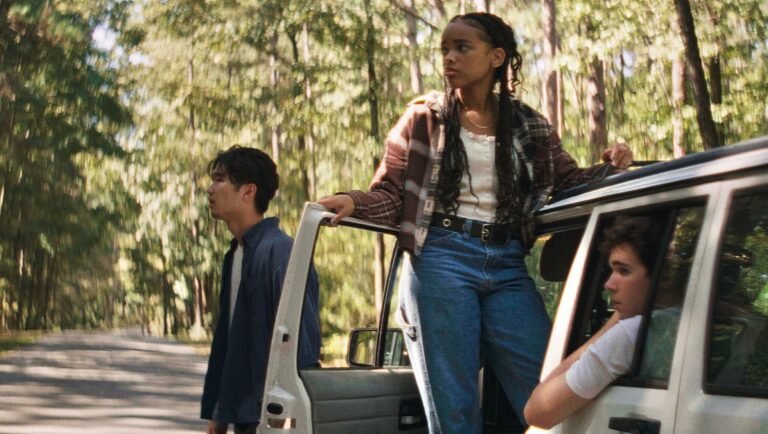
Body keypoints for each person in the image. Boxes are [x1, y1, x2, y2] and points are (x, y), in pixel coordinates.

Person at [318, 12, 633, 433]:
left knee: (548, 386)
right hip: (440, 257)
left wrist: (612, 168)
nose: (449, 57)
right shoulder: (424, 118)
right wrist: (353, 201)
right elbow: (393, 192)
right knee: (456, 406)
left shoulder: (529, 125)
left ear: (496, 57)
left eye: (462, 48)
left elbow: (568, 183)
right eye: (445, 49)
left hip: (507, 261)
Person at [200, 146, 321, 434]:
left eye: (219, 180)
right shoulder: (236, 254)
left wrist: (289, 420)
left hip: (271, 417)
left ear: (248, 191)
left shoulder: (280, 253)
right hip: (243, 414)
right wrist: (220, 414)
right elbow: (232, 343)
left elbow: (302, 344)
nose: (210, 189)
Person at [523, 216, 659, 429]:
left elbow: (537, 412)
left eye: (623, 271)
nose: (609, 284)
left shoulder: (631, 333)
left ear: (661, 276)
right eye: (611, 271)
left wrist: (613, 323)